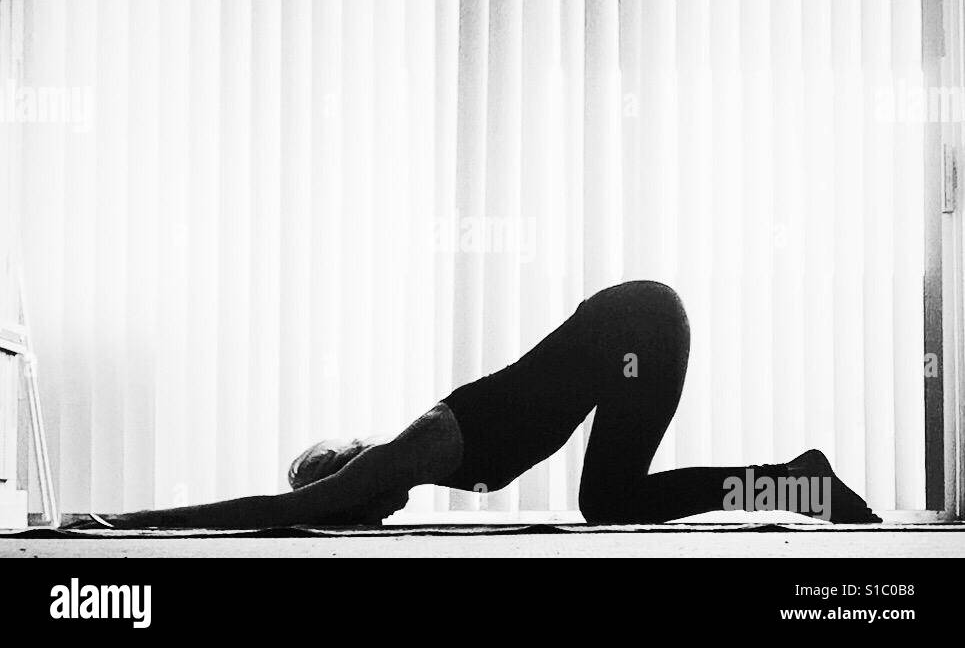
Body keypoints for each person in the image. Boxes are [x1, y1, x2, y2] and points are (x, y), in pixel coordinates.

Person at [70, 281, 880, 528]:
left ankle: (795, 479)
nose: (355, 513)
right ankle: (797, 481)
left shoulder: (417, 447)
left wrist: (123, 525)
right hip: (631, 332)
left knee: (610, 501)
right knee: (612, 502)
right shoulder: (429, 458)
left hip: (635, 327)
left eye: (336, 489)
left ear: (350, 463)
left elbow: (270, 514)